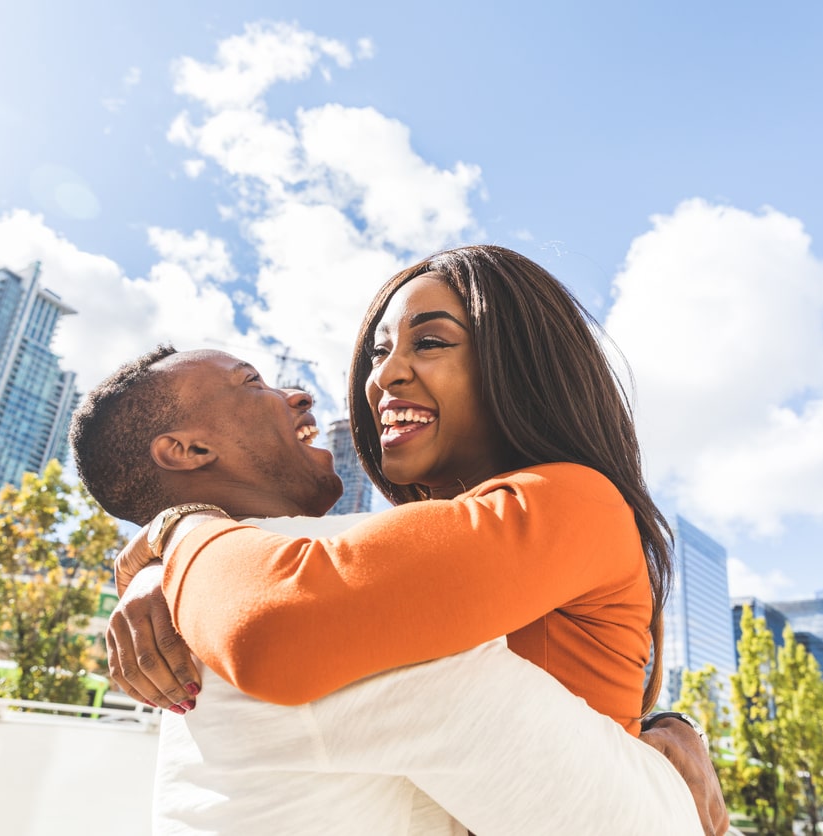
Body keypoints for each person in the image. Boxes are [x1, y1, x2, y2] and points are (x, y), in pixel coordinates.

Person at [107, 245, 727, 832]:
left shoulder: (571, 498)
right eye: (379, 353)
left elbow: (281, 623)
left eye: (429, 342)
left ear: (518, 367)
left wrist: (180, 528)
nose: (385, 376)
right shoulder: (439, 529)